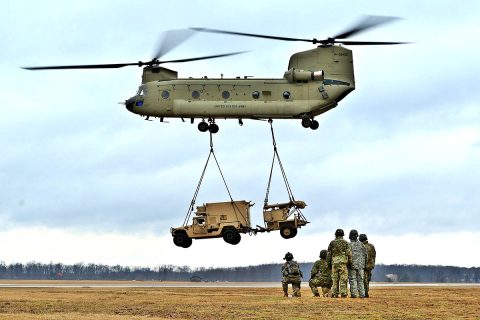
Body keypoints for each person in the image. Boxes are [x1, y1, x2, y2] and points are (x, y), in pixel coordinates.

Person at [327, 229, 352, 298]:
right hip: (343, 263)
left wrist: (329, 263)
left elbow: (329, 254)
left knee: (335, 279)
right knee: (343, 279)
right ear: (343, 235)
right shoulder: (346, 243)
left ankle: (335, 293)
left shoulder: (332, 243)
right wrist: (350, 262)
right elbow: (349, 254)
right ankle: (343, 293)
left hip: (334, 263)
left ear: (335, 235)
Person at [348, 229, 368, 298]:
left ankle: (354, 294)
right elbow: (366, 255)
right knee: (360, 280)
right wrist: (364, 265)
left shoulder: (349, 245)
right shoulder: (362, 245)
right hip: (361, 266)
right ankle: (362, 294)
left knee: (352, 280)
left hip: (352, 265)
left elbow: (347, 255)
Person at [359, 233, 376, 298]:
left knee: (364, 280)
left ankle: (365, 292)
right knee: (367, 279)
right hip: (370, 265)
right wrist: (373, 264)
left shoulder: (362, 246)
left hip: (364, 265)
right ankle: (366, 291)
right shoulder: (371, 246)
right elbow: (374, 256)